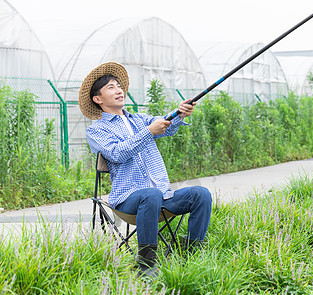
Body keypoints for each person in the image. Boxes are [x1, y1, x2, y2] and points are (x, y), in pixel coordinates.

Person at [78, 62, 212, 277]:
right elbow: (117, 153)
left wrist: (180, 112)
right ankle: (146, 265)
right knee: (150, 194)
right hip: (128, 201)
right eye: (111, 87)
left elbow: (165, 125)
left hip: (162, 197)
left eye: (119, 85)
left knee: (200, 194)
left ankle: (190, 255)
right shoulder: (97, 130)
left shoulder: (140, 119)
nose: (119, 90)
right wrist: (148, 132)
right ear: (98, 99)